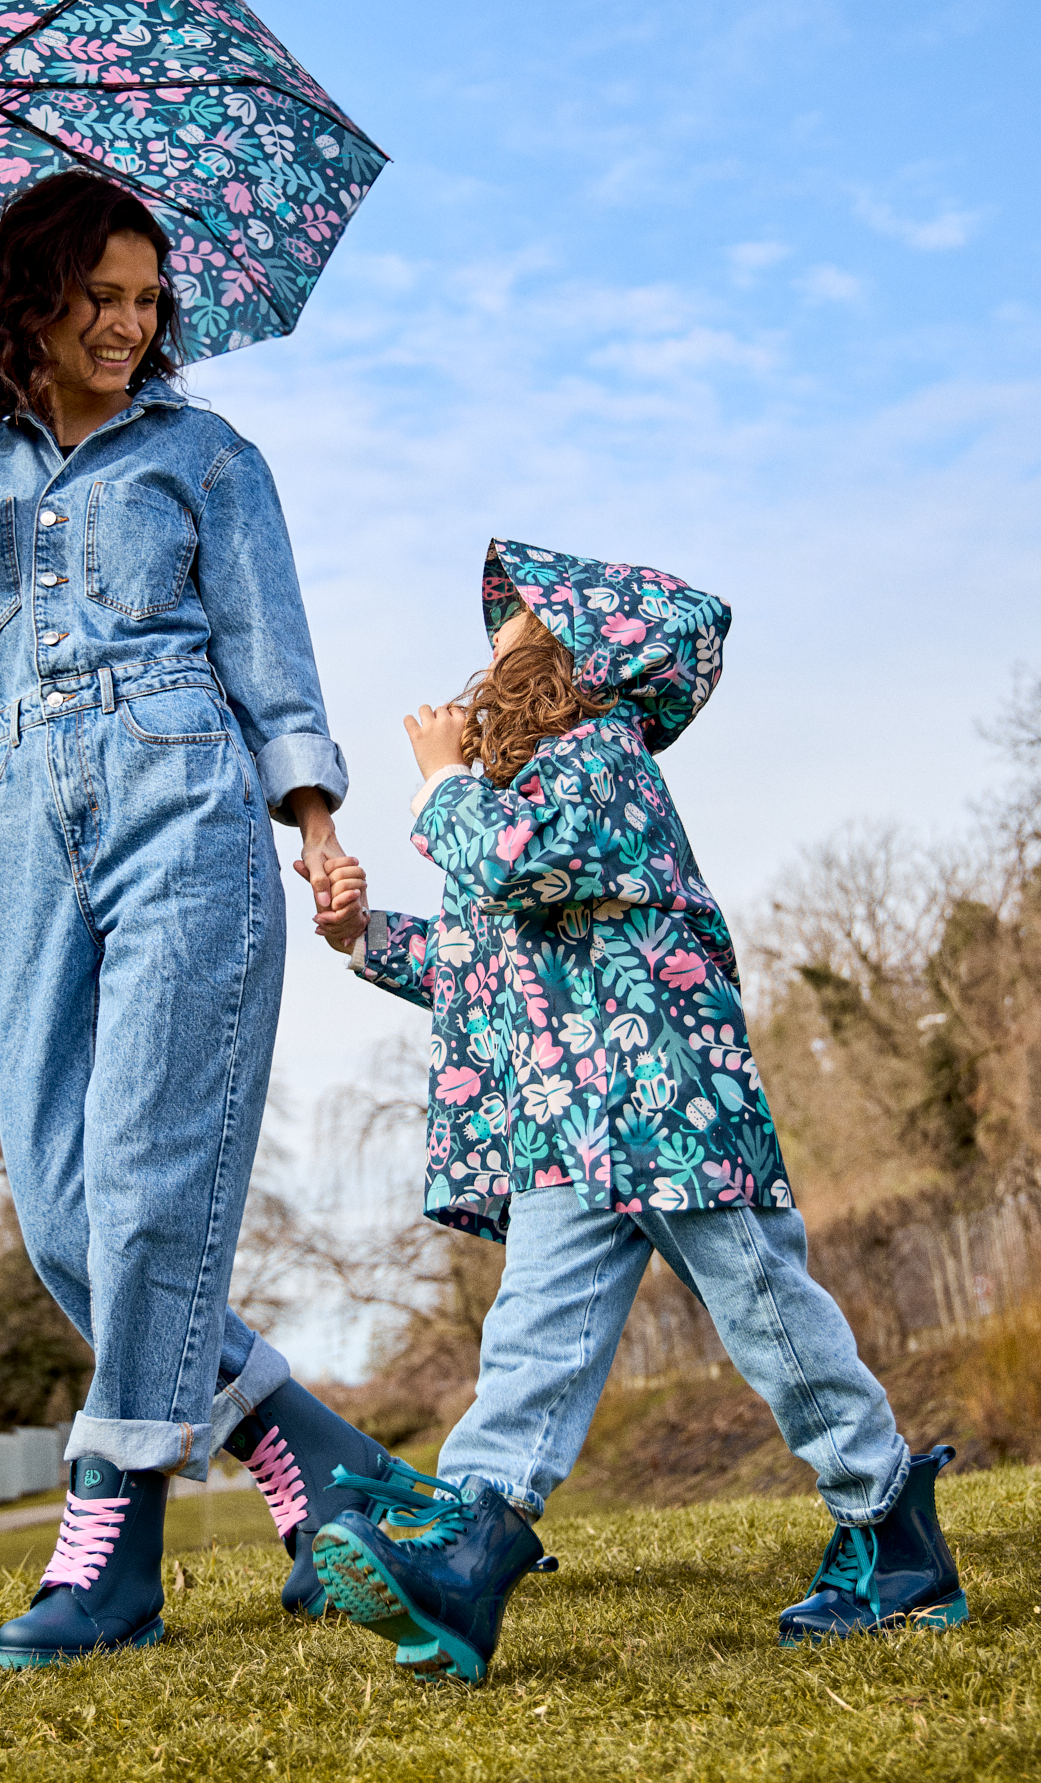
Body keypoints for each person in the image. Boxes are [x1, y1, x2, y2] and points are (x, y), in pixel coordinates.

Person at [309, 540, 966, 1685]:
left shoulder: (602, 762)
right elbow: (481, 955)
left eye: (515, 627)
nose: (492, 646)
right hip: (571, 1126)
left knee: (770, 1317)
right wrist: (360, 936)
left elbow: (511, 864)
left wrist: (438, 783)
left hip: (665, 1102)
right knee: (533, 1340)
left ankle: (894, 1536)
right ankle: (466, 1559)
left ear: (579, 653)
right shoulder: (538, 789)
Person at [0, 172, 399, 1667]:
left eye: (145, 300)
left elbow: (273, 656)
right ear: (32, 304)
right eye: (98, 298)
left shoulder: (208, 455)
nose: (126, 324)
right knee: (62, 1202)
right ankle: (316, 1453)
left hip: (185, 803)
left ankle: (108, 1537)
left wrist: (315, 831)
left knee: (148, 1178)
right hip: (20, 821)